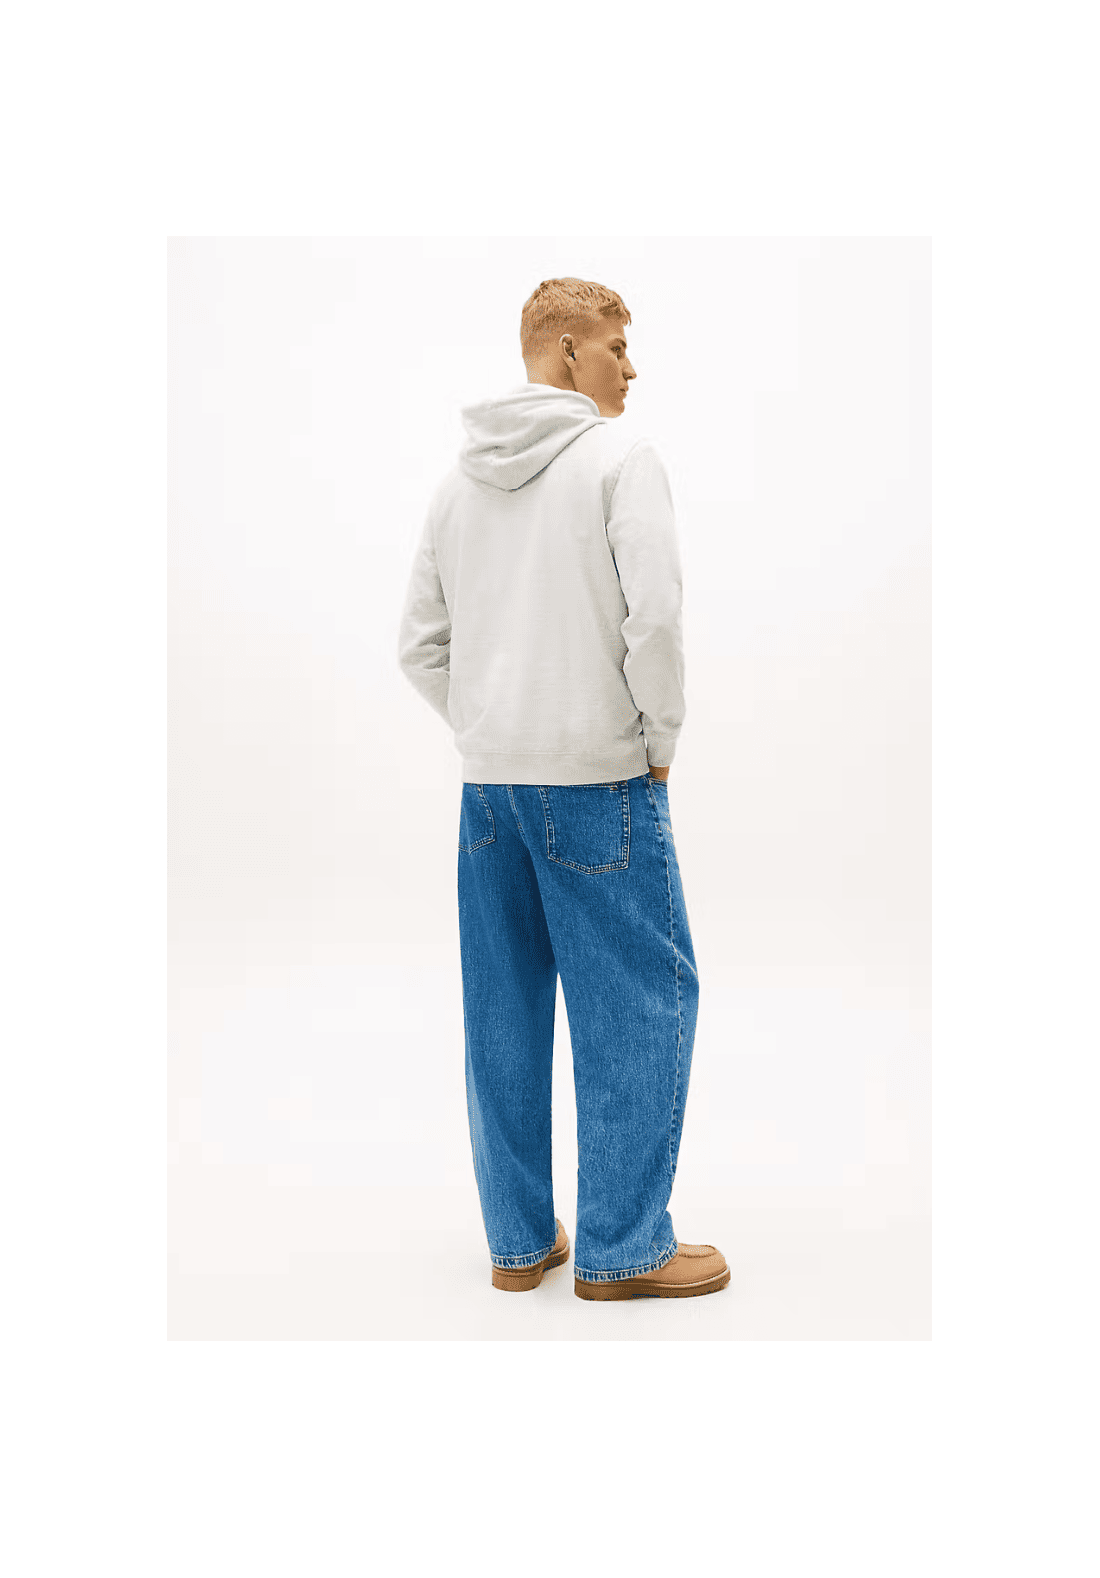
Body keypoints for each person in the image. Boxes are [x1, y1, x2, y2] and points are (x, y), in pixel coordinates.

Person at [397, 277, 728, 1301]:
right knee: (639, 1003)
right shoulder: (620, 462)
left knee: (501, 1009)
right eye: (617, 345)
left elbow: (419, 645)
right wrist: (655, 739)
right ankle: (623, 1249)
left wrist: (494, 728)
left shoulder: (457, 484)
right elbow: (654, 620)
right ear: (567, 351)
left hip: (488, 792)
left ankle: (517, 1242)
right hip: (596, 780)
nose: (631, 367)